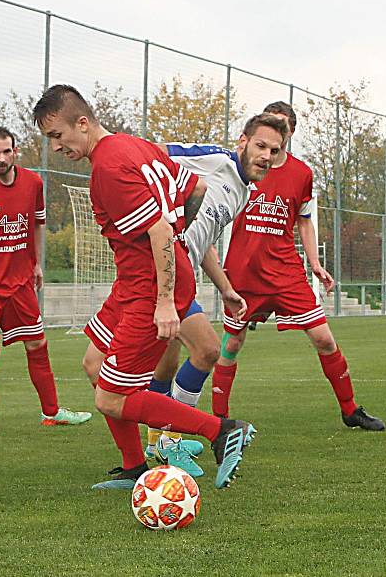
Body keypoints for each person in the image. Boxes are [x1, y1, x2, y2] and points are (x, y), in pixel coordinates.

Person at [33, 84, 256, 489]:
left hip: (148, 288)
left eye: (57, 136)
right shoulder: (134, 146)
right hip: (133, 281)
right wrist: (181, 233)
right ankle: (135, 466)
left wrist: (165, 301)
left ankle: (221, 430)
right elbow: (198, 190)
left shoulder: (108, 167)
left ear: (82, 123)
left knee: (109, 397)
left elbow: (157, 232)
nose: (56, 147)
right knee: (93, 365)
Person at [81, 115, 288, 477]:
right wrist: (167, 227)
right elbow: (155, 156)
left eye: (275, 150)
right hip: (156, 276)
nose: (267, 155)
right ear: (243, 142)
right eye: (261, 146)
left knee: (194, 354)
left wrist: (225, 288)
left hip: (167, 278)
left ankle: (168, 441)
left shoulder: (245, 193)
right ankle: (164, 446)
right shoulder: (214, 159)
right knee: (101, 368)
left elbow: (202, 242)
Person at [211, 101, 386, 431]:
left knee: (324, 339)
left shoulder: (302, 174)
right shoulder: (240, 169)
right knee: (231, 344)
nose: (275, 136)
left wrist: (315, 263)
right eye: (269, 128)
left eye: (282, 128)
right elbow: (218, 212)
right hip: (244, 272)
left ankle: (350, 410)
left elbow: (304, 221)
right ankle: (219, 420)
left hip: (286, 272)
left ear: (289, 133)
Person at [0, 127, 92, 433]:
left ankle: (52, 412)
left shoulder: (33, 183)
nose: (1, 158)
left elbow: (37, 224)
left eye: (6, 152)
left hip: (20, 280)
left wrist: (36, 263)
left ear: (15, 152)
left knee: (37, 344)